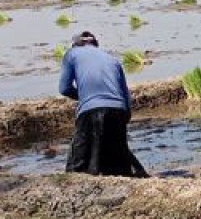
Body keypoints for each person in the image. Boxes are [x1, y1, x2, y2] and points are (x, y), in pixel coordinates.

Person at [58, 30, 148, 177]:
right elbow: (125, 95)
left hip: (91, 110)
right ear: (95, 44)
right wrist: (124, 119)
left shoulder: (71, 54)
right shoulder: (112, 60)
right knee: (118, 166)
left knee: (78, 165)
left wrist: (85, 98)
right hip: (119, 110)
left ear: (75, 45)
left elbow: (64, 88)